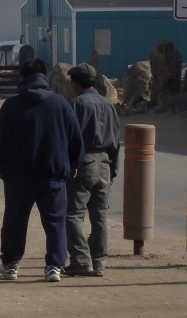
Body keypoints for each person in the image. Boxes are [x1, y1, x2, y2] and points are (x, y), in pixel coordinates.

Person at [0, 58, 83, 282]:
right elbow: (75, 139)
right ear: (44, 76)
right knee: (55, 222)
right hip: (53, 175)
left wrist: (4, 170)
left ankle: (10, 264)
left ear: (23, 77)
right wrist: (74, 164)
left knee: (15, 220)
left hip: (18, 176)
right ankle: (54, 266)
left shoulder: (11, 105)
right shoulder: (61, 104)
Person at [64, 64, 122, 277]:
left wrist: (70, 165)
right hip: (105, 162)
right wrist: (113, 170)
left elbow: (69, 139)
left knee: (73, 214)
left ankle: (81, 261)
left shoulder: (75, 105)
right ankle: (99, 263)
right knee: (100, 216)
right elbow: (116, 140)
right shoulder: (108, 105)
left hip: (83, 162)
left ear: (75, 83)